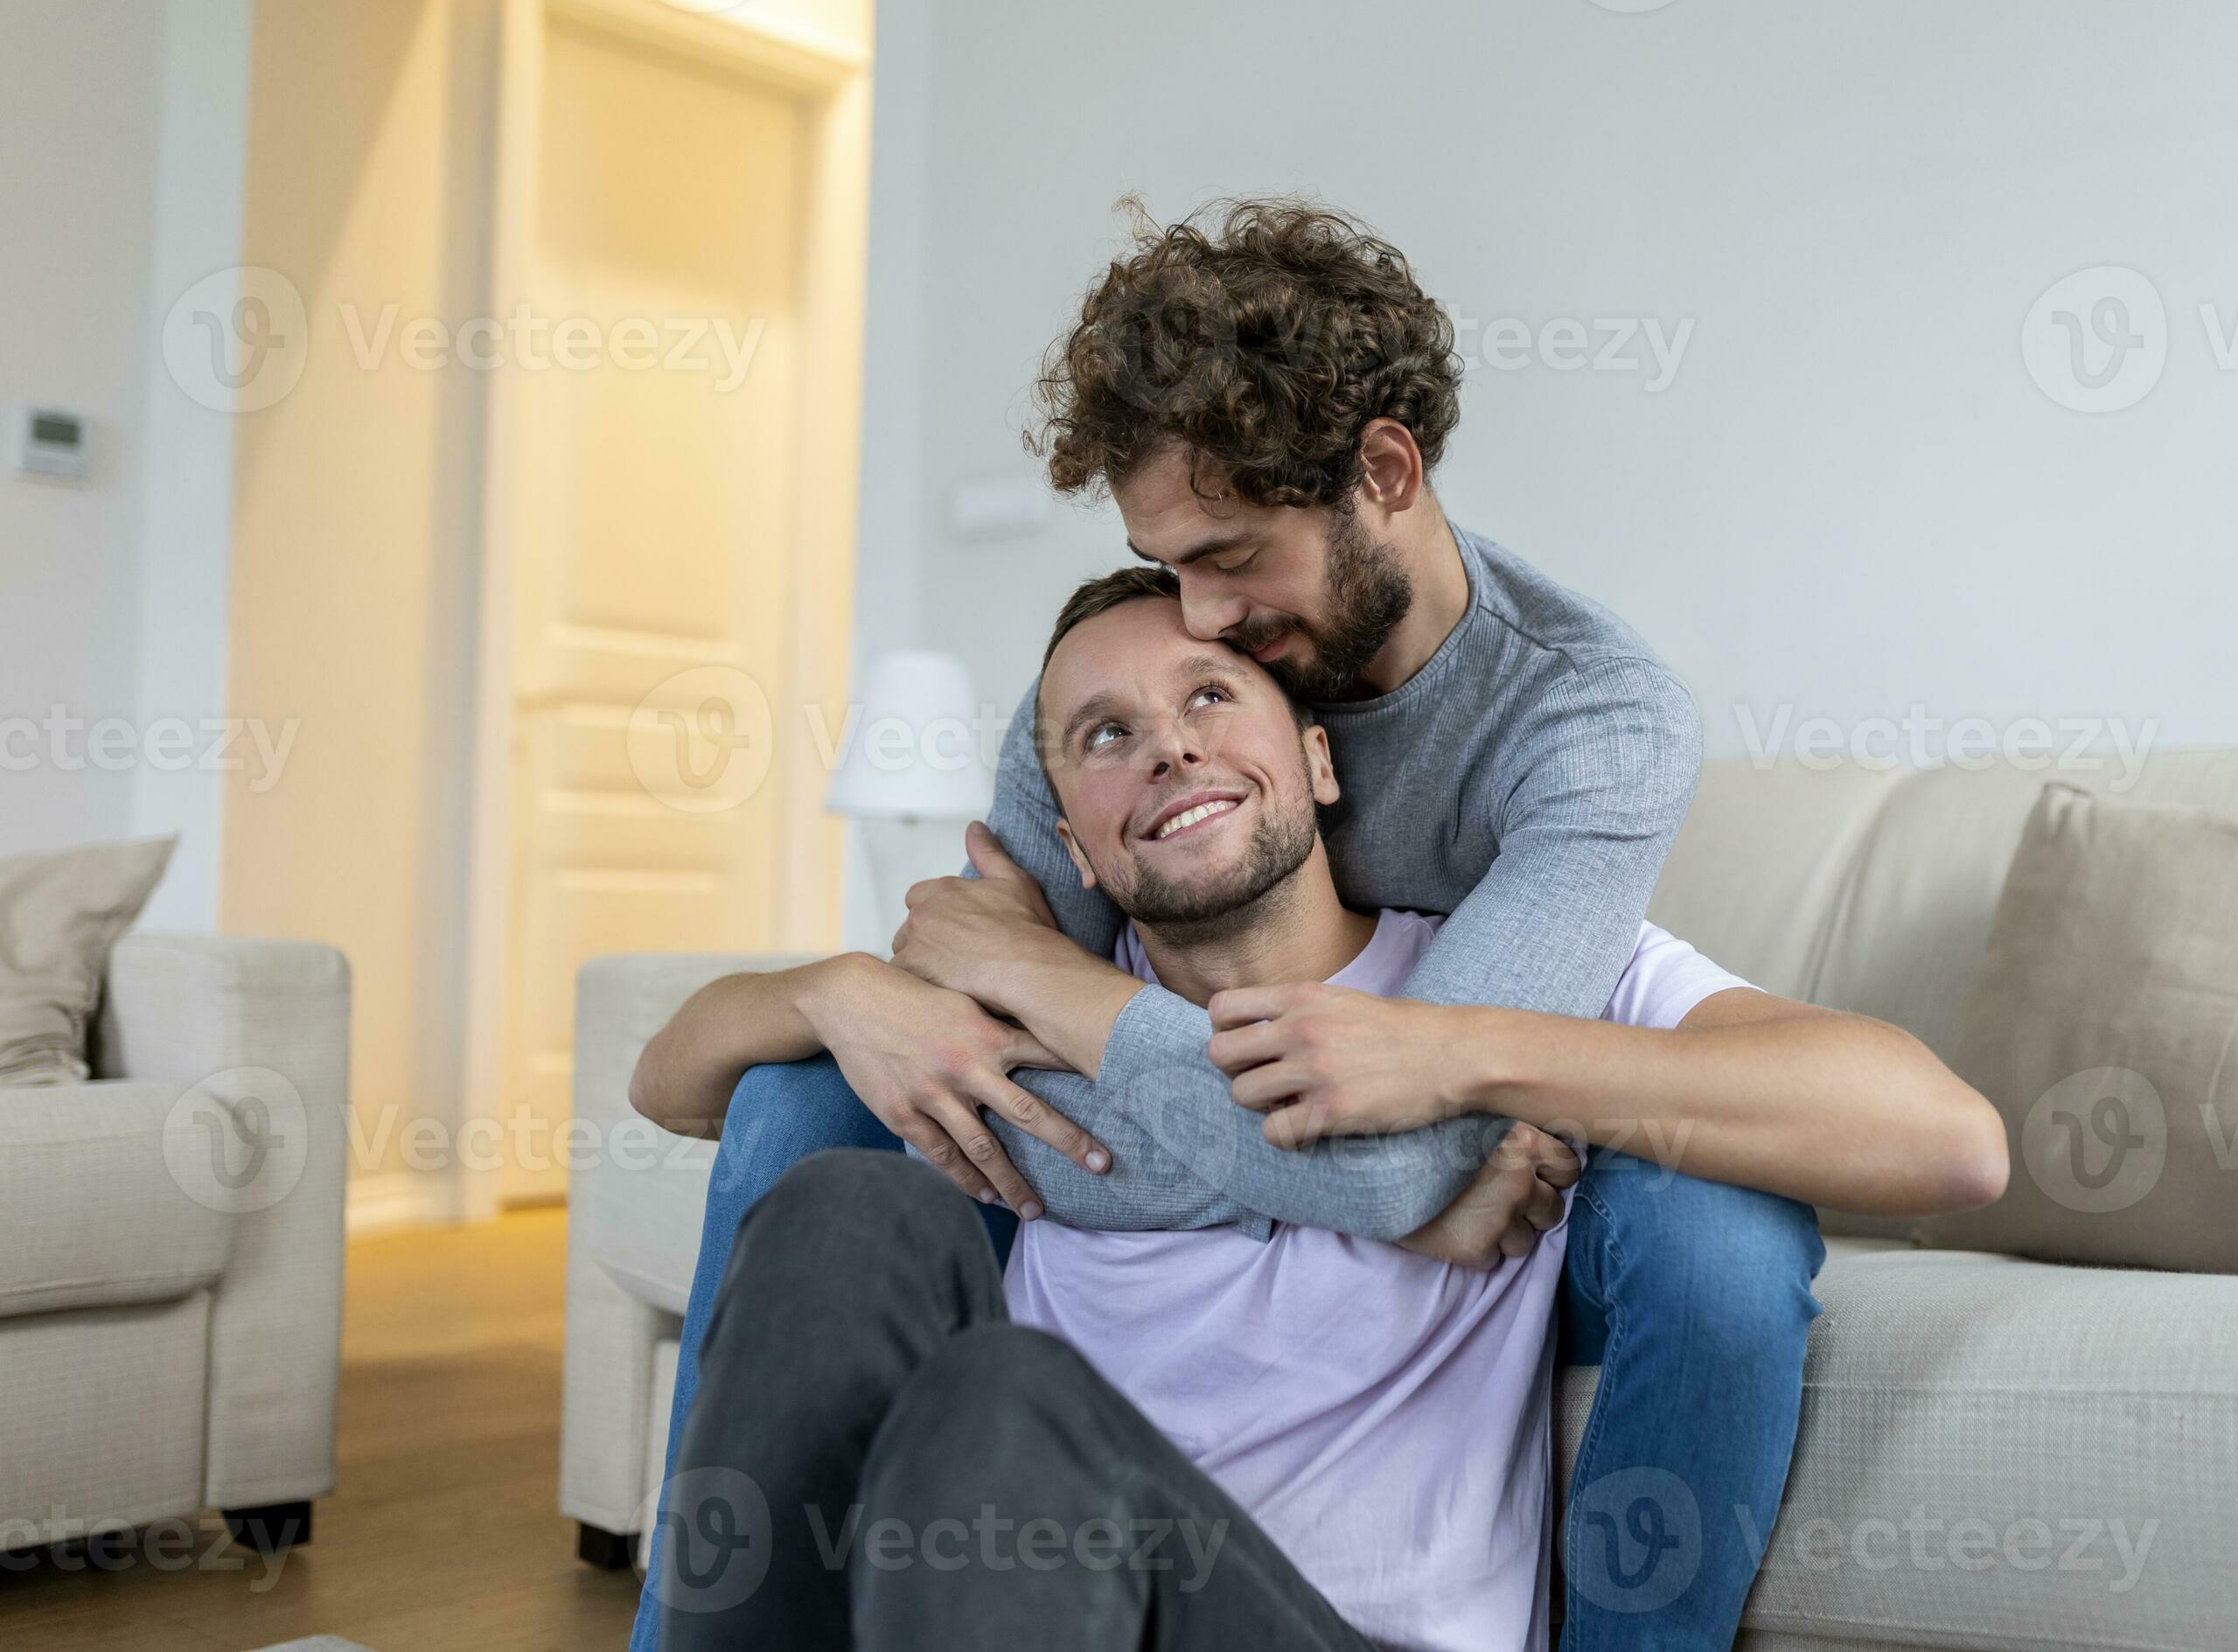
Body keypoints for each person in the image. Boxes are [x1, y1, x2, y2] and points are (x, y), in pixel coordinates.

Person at [627, 198, 2003, 1651]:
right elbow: (865, 1063)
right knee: (812, 1141)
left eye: (1227, 570)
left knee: (1714, 1227)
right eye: (1165, 579)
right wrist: (853, 985)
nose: (1200, 627)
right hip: (1138, 1367)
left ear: (1385, 472)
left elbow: (1935, 1141)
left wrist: (1460, 1073)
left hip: (1402, 1292)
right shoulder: (1156, 661)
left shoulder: (1582, 726)